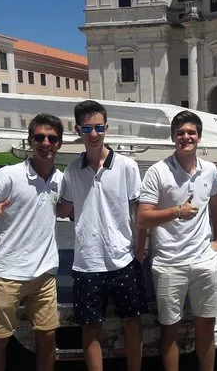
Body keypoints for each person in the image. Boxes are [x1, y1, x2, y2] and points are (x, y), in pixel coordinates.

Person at [0, 113, 64, 371]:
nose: (45, 143)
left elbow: (68, 209)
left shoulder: (61, 180)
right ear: (30, 141)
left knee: (48, 338)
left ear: (59, 143)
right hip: (8, 273)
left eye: (52, 138)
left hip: (44, 273)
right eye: (39, 137)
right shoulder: (9, 175)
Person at [57, 100, 146, 371]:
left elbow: (139, 214)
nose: (93, 134)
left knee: (133, 324)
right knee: (90, 329)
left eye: (98, 127)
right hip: (87, 263)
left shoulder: (127, 167)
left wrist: (139, 253)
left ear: (107, 127)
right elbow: (64, 208)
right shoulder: (72, 170)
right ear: (78, 130)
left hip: (123, 260)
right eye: (87, 128)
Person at [137, 110, 217, 371]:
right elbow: (143, 217)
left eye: (191, 133)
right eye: (180, 133)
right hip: (168, 264)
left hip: (204, 262)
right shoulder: (157, 171)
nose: (186, 137)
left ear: (199, 137)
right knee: (169, 330)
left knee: (206, 327)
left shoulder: (210, 170)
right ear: (173, 137)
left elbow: (216, 205)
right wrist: (177, 212)